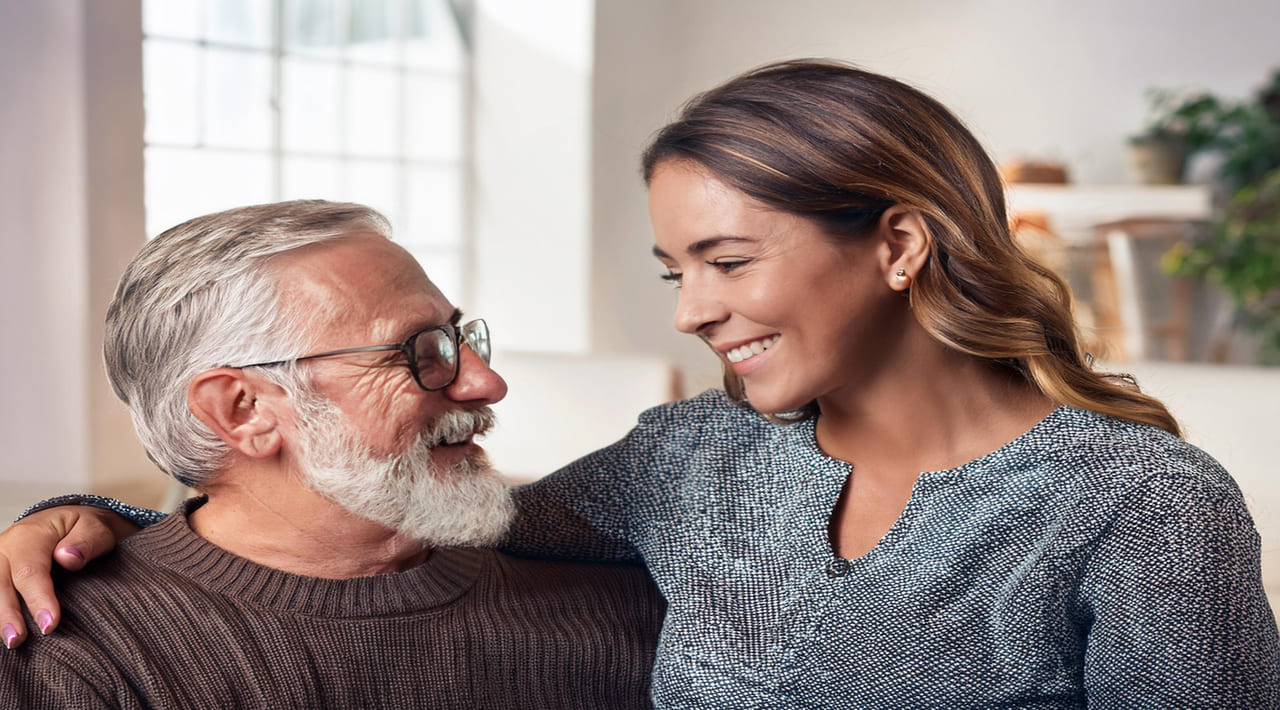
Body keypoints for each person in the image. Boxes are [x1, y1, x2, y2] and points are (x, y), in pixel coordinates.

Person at [2, 60, 1277, 708]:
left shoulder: (1140, 504)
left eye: (724, 260)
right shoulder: (688, 462)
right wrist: (102, 525)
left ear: (896, 243)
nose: (690, 310)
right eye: (674, 266)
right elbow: (370, 511)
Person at [0, 200, 663, 709]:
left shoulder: (640, 597)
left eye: (459, 337)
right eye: (418, 351)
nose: (485, 383)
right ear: (244, 410)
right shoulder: (65, 654)